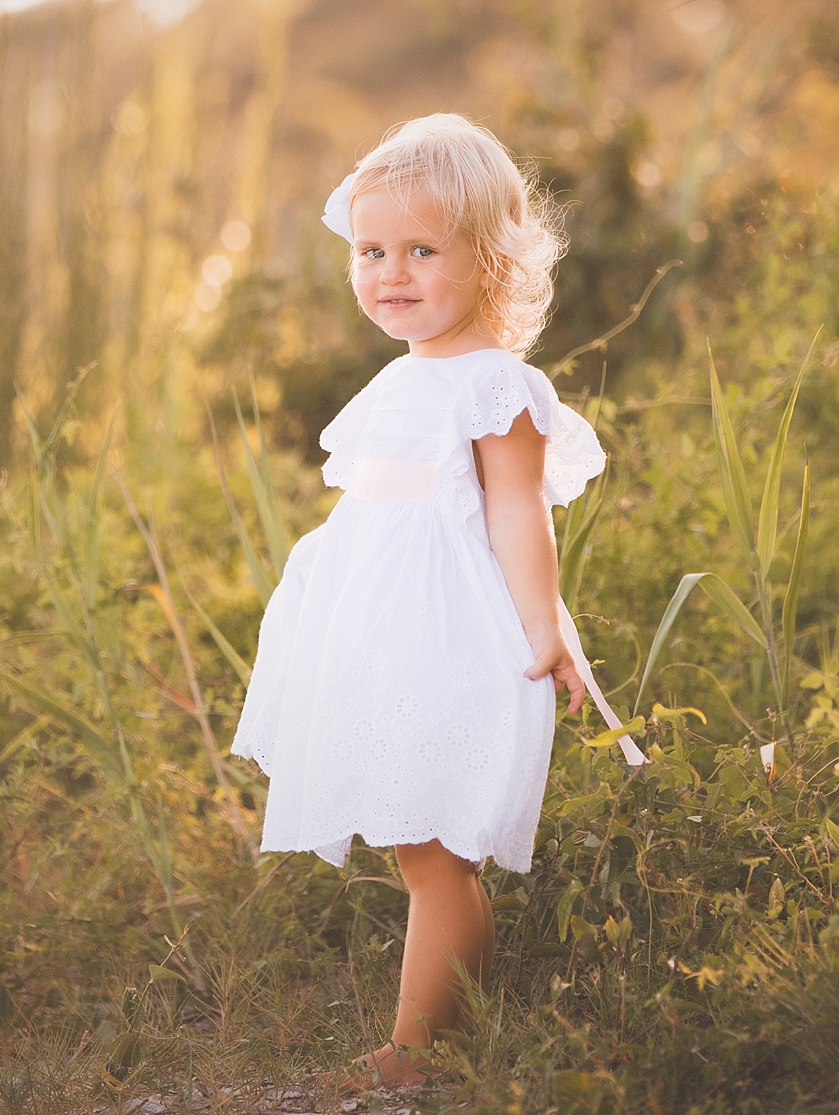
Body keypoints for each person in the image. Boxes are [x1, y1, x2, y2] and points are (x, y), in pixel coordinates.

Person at [229, 113, 643, 1091]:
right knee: (416, 838)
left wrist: (544, 633)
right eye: (371, 250)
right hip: (384, 639)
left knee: (434, 848)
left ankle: (420, 1054)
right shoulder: (399, 379)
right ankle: (432, 1044)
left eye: (422, 249)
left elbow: (514, 517)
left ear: (490, 261)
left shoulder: (497, 385)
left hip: (451, 636)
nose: (390, 272)